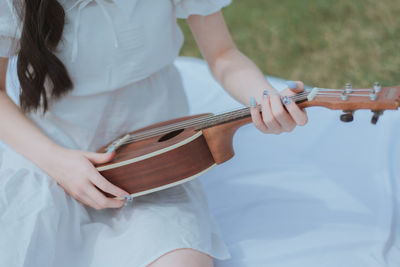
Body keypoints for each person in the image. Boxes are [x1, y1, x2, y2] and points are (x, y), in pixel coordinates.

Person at [0, 0, 308, 266]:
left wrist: (267, 98)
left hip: (154, 165)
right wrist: (58, 162)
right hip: (48, 155)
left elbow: (223, 54)